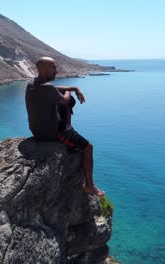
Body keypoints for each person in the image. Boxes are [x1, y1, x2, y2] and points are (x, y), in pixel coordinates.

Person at [25, 56, 105, 197]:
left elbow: (54, 89)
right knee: (88, 147)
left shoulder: (32, 83)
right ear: (44, 69)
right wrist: (71, 91)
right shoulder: (47, 88)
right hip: (50, 134)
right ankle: (89, 185)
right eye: (54, 68)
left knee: (63, 99)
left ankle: (67, 128)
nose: (56, 71)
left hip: (36, 130)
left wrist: (74, 87)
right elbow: (64, 99)